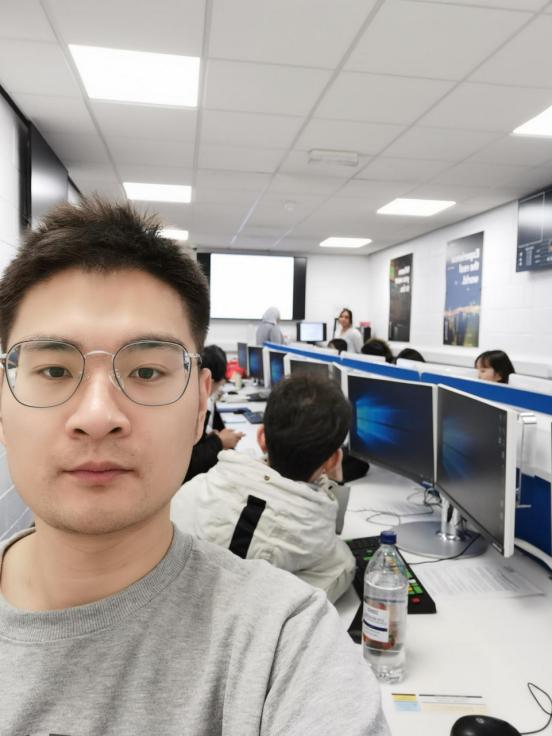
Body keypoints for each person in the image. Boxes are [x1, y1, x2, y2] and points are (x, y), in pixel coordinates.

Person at [0, 197, 389, 735]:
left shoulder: (285, 641)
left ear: (200, 404)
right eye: (53, 370)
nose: (97, 417)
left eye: (146, 372)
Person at [172, 374, 356, 604]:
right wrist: (335, 483)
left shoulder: (193, 489)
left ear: (261, 437)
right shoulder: (334, 560)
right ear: (333, 460)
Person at [184, 344, 244, 483]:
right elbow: (188, 464)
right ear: (208, 382)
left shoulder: (192, 398)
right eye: (219, 385)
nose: (218, 390)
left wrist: (209, 438)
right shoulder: (191, 409)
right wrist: (219, 442)